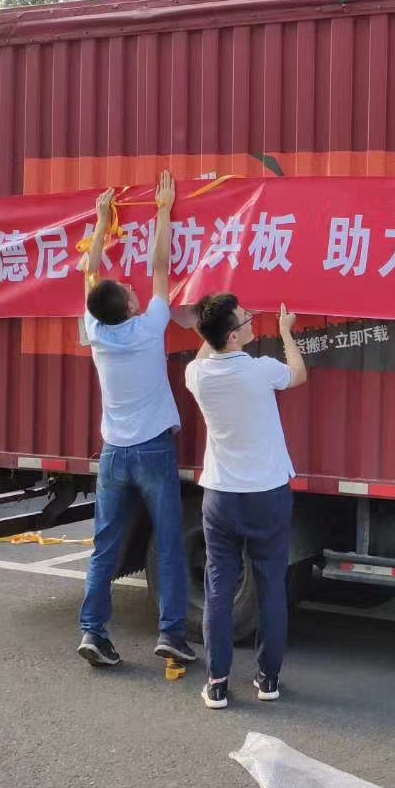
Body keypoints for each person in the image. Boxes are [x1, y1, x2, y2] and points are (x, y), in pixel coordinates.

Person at [77, 171, 195, 668]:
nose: (132, 286)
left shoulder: (97, 332)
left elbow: (89, 272)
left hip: (114, 454)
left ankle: (92, 631)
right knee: (167, 542)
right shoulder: (149, 328)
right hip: (151, 450)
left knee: (106, 543)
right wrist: (165, 209)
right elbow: (162, 264)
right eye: (128, 289)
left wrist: (101, 222)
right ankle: (170, 633)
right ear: (129, 305)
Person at [184, 294, 306, 709]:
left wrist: (211, 325)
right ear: (234, 335)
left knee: (219, 588)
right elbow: (298, 374)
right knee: (271, 586)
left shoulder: (196, 375)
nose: (253, 319)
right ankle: (268, 680)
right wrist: (287, 333)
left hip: (221, 495)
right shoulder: (261, 371)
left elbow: (207, 349)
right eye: (245, 318)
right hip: (268, 494)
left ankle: (217, 682)